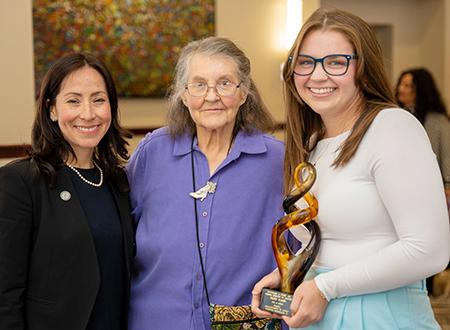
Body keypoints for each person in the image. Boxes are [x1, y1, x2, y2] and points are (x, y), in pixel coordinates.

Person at [251, 7, 450, 329]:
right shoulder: (313, 144)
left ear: (364, 69)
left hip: (381, 315)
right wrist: (289, 275)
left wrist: (326, 287)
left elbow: (430, 250)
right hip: (320, 315)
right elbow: (330, 245)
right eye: (305, 62)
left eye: (335, 62)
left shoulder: (392, 127)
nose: (317, 75)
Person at [127, 36, 285, 329]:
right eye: (199, 84)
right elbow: (119, 232)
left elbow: (302, 255)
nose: (211, 96)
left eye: (225, 83)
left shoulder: (277, 160)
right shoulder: (153, 152)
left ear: (244, 92)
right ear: (183, 95)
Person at [0, 53, 134, 330]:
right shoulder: (20, 181)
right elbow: (5, 293)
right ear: (52, 109)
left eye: (98, 99)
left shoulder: (117, 181)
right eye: (73, 100)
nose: (88, 113)